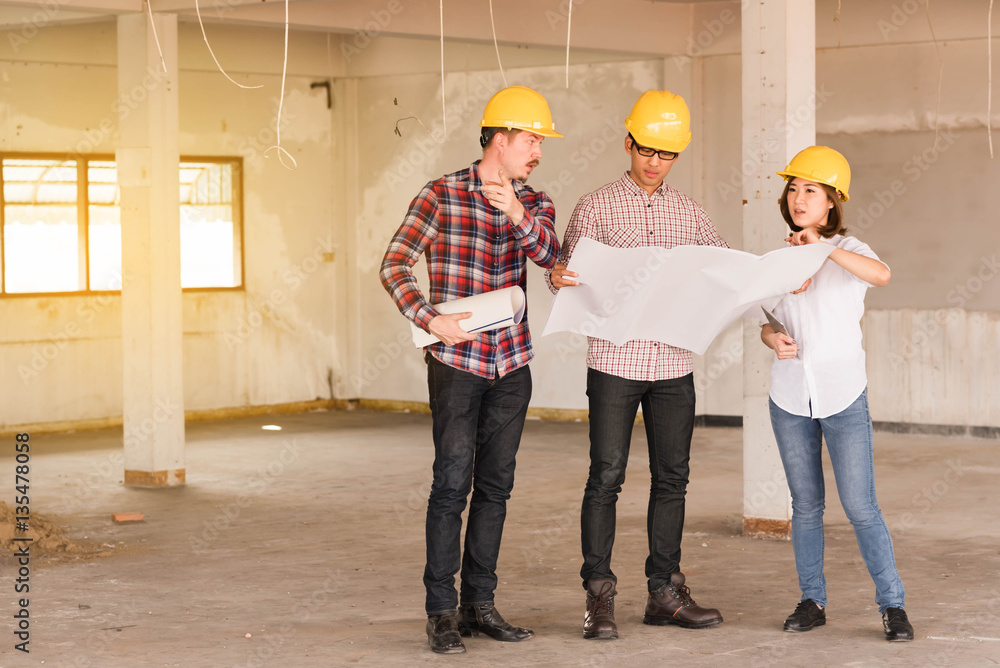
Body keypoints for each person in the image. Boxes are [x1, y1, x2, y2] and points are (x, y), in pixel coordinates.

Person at [379, 85, 562, 654]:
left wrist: (516, 212)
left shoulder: (537, 201)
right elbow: (395, 263)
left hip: (512, 363)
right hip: (457, 363)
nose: (537, 151)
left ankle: (479, 604)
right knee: (451, 485)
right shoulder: (441, 195)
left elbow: (554, 260)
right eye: (531, 139)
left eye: (539, 142)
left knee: (496, 488)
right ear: (500, 139)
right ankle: (440, 612)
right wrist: (430, 320)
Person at [546, 90, 728, 640]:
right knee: (606, 477)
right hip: (614, 360)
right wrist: (557, 276)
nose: (654, 162)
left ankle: (664, 593)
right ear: (628, 142)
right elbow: (567, 272)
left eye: (666, 154)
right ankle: (599, 596)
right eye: (646, 149)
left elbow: (719, 270)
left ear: (677, 156)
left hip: (673, 360)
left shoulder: (690, 212)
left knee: (672, 477)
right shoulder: (595, 206)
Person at [760, 146, 914, 642]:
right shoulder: (777, 261)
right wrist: (772, 337)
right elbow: (765, 320)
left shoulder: (851, 250)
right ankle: (812, 601)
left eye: (811, 190)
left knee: (861, 506)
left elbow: (882, 275)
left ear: (831, 202)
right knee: (805, 507)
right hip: (789, 399)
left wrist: (821, 249)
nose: (799, 197)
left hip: (843, 396)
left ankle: (892, 605)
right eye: (793, 188)